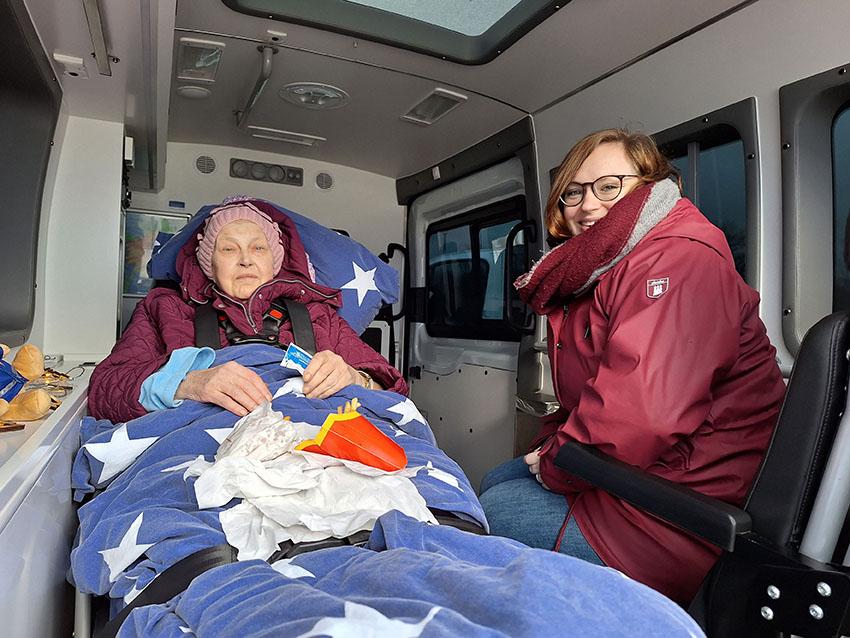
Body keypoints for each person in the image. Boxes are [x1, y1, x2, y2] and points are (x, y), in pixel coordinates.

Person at [478, 129, 785, 604]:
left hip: (683, 505)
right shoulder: (608, 269)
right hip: (640, 474)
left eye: (608, 186)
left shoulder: (678, 259)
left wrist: (558, 463)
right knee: (496, 479)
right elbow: (592, 400)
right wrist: (552, 448)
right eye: (573, 193)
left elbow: (642, 415)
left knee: (492, 508)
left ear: (650, 186)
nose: (587, 205)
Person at [88, 199, 407, 423]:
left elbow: (395, 393)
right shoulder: (164, 309)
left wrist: (355, 377)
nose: (245, 260)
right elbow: (105, 390)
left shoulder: (317, 315)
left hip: (313, 448)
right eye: (229, 249)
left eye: (258, 248)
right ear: (208, 263)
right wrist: (187, 383)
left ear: (274, 261)